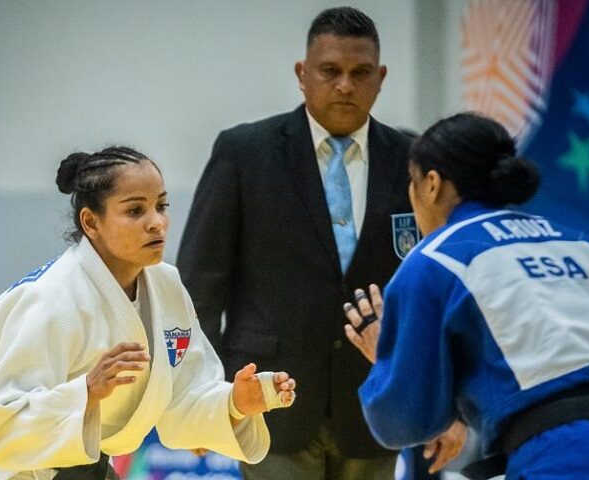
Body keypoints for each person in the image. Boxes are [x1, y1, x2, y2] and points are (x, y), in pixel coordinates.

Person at [176, 6, 451, 480]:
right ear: (303, 75)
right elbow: (198, 286)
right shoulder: (245, 152)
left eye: (360, 72)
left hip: (376, 403)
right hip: (269, 400)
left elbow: (437, 290)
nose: (345, 84)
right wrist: (199, 396)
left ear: (380, 77)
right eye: (330, 71)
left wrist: (438, 398)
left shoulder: (413, 159)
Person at [0, 146, 297, 480]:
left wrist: (236, 403)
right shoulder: (47, 299)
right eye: (135, 211)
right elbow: (3, 425)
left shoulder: (166, 285)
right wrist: (86, 391)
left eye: (161, 206)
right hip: (17, 473)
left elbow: (184, 395)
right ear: (91, 222)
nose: (157, 223)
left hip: (88, 468)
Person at [344, 113, 589, 479]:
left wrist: (388, 361)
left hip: (566, 453)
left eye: (412, 181)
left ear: (432, 184)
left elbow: (402, 421)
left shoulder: (435, 258)